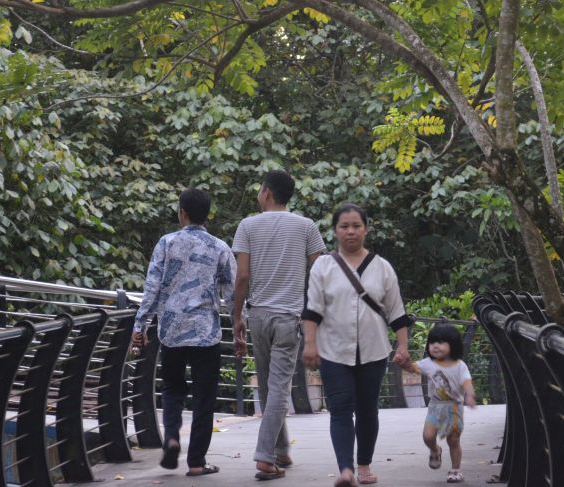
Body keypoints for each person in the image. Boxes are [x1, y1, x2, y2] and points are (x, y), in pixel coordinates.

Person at [301, 203, 412, 487]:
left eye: (356, 226)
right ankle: (345, 470)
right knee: (339, 409)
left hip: (373, 351)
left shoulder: (382, 267)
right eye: (344, 227)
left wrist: (403, 347)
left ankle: (364, 466)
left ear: (366, 229)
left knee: (367, 410)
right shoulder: (323, 267)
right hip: (333, 350)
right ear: (336, 231)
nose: (350, 232)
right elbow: (312, 310)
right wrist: (310, 345)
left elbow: (397, 311)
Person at [131, 188, 236, 477]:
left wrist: (140, 326)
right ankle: (197, 462)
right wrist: (239, 329)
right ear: (206, 215)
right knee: (204, 396)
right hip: (206, 333)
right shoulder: (220, 247)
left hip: (172, 330)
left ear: (182, 213)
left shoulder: (166, 243)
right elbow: (232, 295)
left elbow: (152, 289)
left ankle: (172, 438)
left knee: (172, 389)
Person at [231, 170, 326, 481]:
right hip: (288, 317)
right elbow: (321, 271)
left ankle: (272, 453)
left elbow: (242, 277)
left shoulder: (247, 226)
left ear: (267, 192)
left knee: (270, 385)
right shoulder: (306, 226)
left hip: (257, 316)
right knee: (278, 388)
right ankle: (271, 453)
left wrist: (236, 316)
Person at [398, 324, 476, 484]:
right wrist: (402, 363)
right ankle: (435, 450)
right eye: (432, 342)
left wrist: (469, 395)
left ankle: (455, 470)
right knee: (428, 436)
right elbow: (413, 368)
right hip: (435, 406)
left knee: (453, 440)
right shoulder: (428, 363)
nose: (435, 346)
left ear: (453, 345)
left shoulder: (460, 365)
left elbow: (467, 382)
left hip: (454, 407)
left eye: (440, 342)